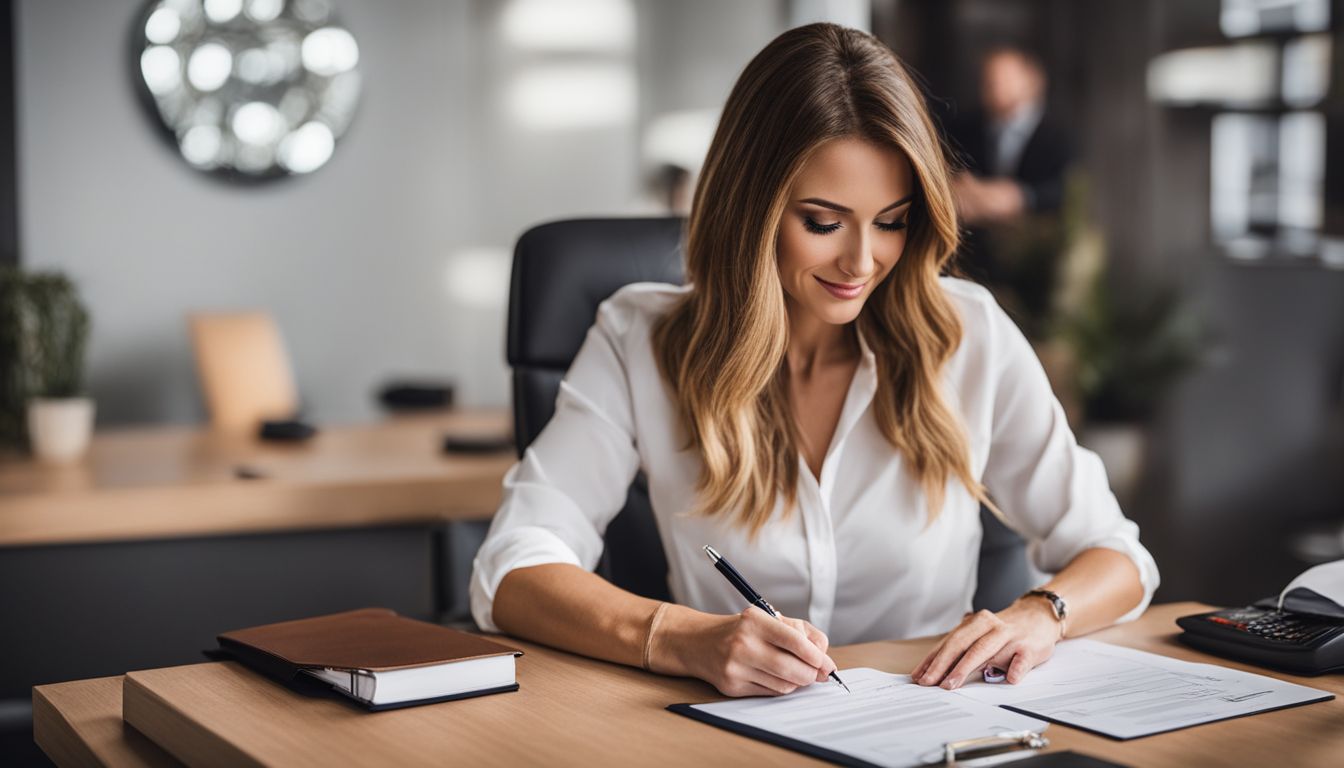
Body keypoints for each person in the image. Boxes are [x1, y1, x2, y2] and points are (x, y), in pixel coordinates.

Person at [471, 23, 1157, 698]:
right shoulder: (639, 338)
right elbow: (512, 566)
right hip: (729, 740)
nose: (862, 261)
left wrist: (1043, 613)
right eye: (823, 222)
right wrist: (686, 638)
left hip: (928, 733)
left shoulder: (968, 333)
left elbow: (1117, 555)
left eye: (892, 221)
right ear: (751, 209)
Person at [947, 46, 1074, 338]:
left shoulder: (1058, 136)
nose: (993, 87)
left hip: (1036, 274)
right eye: (988, 79)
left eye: (1003, 78)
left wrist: (1016, 198)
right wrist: (987, 198)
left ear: (1032, 81)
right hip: (971, 263)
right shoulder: (963, 128)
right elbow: (951, 182)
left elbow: (1064, 193)